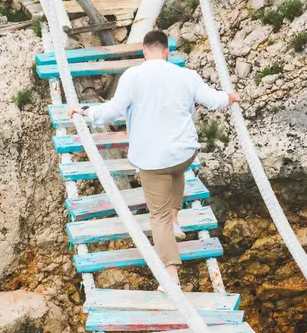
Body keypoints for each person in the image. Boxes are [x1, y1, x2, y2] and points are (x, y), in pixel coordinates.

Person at [68, 30, 240, 290]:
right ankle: (175, 218)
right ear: (167, 52)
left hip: (152, 160)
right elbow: (213, 100)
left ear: (145, 52)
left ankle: (171, 274)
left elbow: (112, 111)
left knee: (156, 216)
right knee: (177, 170)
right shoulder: (186, 75)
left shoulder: (133, 76)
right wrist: (231, 97)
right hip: (184, 154)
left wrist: (84, 111)